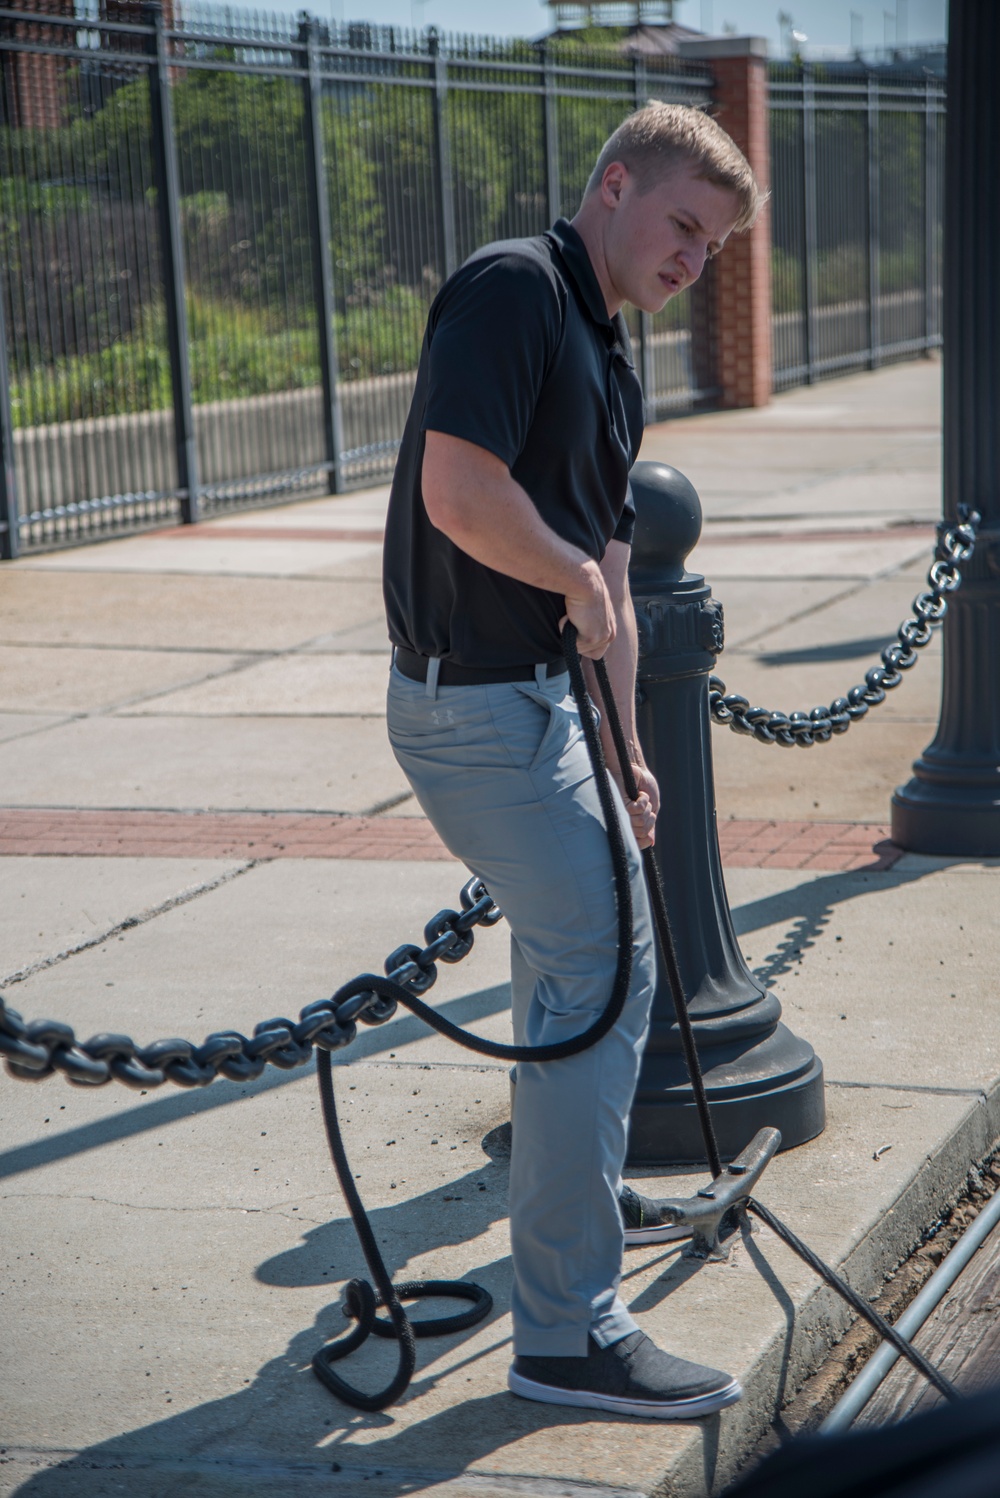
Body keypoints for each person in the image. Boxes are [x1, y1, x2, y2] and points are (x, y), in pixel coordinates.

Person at [382, 101, 763, 1420]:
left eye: (710, 248)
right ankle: (566, 1331)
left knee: (594, 964)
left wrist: (629, 750)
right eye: (681, 226)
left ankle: (579, 1208)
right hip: (467, 712)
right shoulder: (514, 290)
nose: (692, 262)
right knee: (601, 964)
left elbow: (608, 575)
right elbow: (462, 496)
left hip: (544, 709)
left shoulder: (615, 358)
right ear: (613, 185)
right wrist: (578, 593)